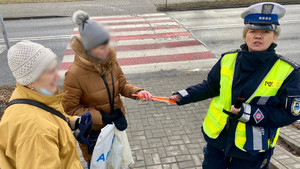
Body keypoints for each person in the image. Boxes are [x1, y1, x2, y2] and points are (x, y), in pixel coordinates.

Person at [170, 2, 300, 169]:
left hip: (252, 150)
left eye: (266, 32)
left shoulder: (289, 71)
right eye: (253, 31)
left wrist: (248, 113)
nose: (258, 36)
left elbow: (289, 113)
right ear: (245, 34)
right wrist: (182, 95)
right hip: (218, 141)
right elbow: (210, 86)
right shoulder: (228, 59)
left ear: (274, 36)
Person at [62, 10, 153, 167]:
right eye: (100, 46)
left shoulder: (110, 61)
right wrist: (101, 118)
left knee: (118, 160)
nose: (106, 50)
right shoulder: (74, 74)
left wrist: (137, 92)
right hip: (94, 134)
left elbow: (122, 84)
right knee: (99, 165)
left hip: (115, 125)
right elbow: (70, 109)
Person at [0, 41, 86, 169]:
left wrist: (72, 122)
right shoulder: (37, 132)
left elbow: (48, 115)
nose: (57, 76)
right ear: (31, 81)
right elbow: (41, 128)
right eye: (50, 72)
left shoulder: (27, 95)